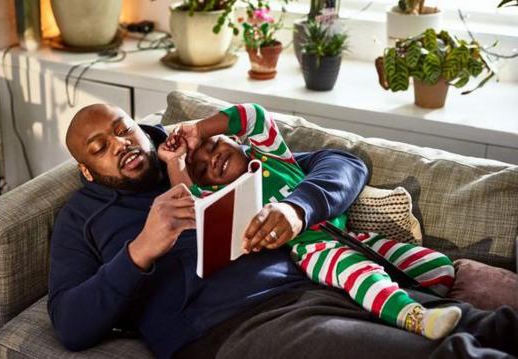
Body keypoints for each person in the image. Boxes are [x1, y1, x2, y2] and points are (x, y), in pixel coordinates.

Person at [48, 102, 518, 359]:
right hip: (240, 327)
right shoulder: (82, 219)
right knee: (453, 354)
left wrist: (298, 208)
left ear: (139, 128)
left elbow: (342, 164)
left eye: (122, 130)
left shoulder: (200, 153)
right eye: (100, 148)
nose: (121, 146)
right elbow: (70, 323)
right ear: (88, 171)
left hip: (337, 279)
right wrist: (140, 253)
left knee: (496, 327)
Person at [157, 103, 460, 339]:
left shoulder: (273, 157)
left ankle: (393, 310)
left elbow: (254, 116)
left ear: (235, 139)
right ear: (207, 185)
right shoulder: (225, 201)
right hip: (313, 253)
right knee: (360, 273)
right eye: (202, 169)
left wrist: (198, 129)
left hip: (351, 236)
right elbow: (186, 203)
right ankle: (412, 316)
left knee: (441, 267)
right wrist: (176, 161)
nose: (212, 160)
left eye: (214, 146)